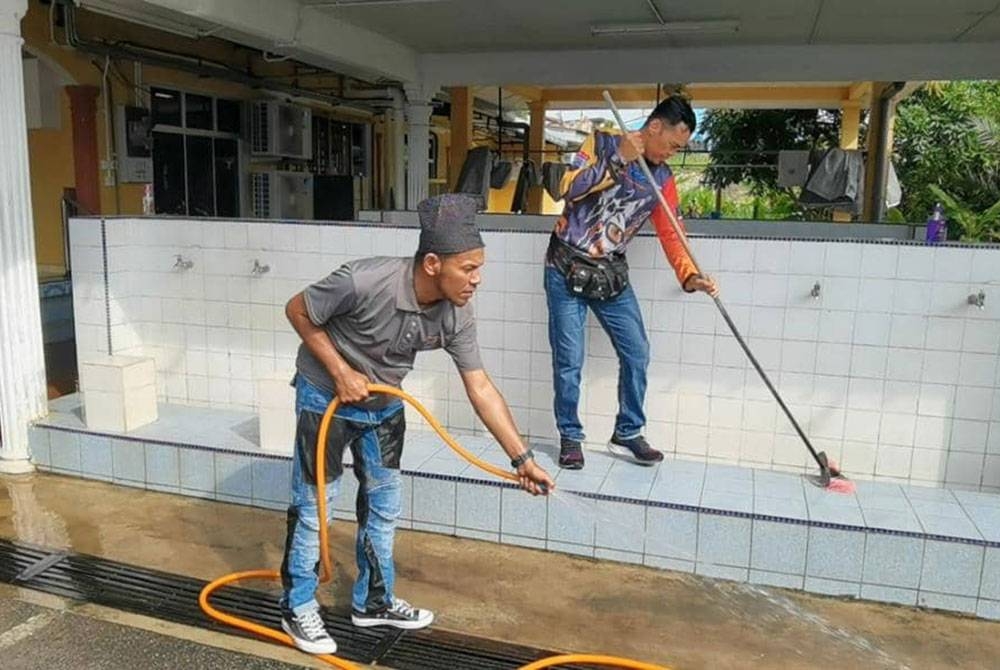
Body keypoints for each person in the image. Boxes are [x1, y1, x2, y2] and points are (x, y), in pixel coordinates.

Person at [280, 193, 554, 655]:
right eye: (468, 268)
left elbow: (480, 386)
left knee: (384, 506)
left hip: (384, 404)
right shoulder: (364, 280)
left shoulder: (456, 314)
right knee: (316, 506)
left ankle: (374, 601)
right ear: (432, 263)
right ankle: (297, 604)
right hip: (324, 397)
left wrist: (522, 458)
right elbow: (298, 310)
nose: (477, 279)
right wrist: (341, 372)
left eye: (478, 267)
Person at [545, 95, 719, 470]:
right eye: (672, 144)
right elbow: (567, 188)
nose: (673, 153)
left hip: (610, 273)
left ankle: (627, 431)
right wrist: (618, 158)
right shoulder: (603, 142)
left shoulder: (663, 179)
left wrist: (690, 276)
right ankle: (570, 437)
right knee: (569, 360)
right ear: (654, 127)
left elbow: (673, 232)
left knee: (637, 351)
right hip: (566, 266)